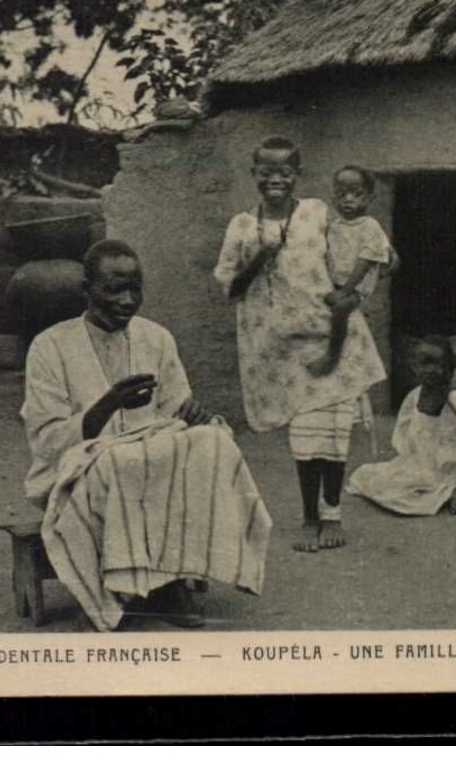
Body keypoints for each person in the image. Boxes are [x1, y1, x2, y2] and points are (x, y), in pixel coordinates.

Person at [22, 239, 271, 631]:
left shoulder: (156, 337)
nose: (126, 300)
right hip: (79, 471)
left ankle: (170, 582)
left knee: (211, 444)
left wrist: (205, 423)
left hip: (150, 464)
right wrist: (107, 405)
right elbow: (47, 439)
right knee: (119, 462)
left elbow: (178, 409)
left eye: (134, 289)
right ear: (86, 291)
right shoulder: (49, 347)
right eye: (113, 289)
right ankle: (108, 593)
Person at [215, 137, 388, 554]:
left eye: (285, 172)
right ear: (253, 174)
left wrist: (356, 290)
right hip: (284, 354)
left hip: (333, 338)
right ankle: (311, 515)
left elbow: (360, 250)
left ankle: (331, 514)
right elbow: (231, 288)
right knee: (305, 439)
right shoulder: (241, 226)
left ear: (298, 175)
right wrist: (258, 257)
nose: (276, 179)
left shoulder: (316, 213)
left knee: (332, 433)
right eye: (266, 172)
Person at [347, 336, 456, 516]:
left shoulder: (451, 396)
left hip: (444, 468)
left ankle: (450, 492)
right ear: (414, 367)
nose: (431, 370)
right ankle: (441, 492)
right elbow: (403, 432)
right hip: (417, 463)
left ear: (449, 369)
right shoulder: (414, 396)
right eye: (425, 363)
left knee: (405, 496)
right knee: (364, 476)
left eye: (438, 364)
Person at [310, 164, 398, 380]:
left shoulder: (370, 226)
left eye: (356, 194)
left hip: (355, 289)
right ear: (334, 198)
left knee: (340, 309)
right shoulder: (335, 226)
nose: (348, 199)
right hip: (335, 284)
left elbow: (365, 262)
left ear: (368, 198)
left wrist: (345, 291)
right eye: (342, 194)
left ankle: (331, 356)